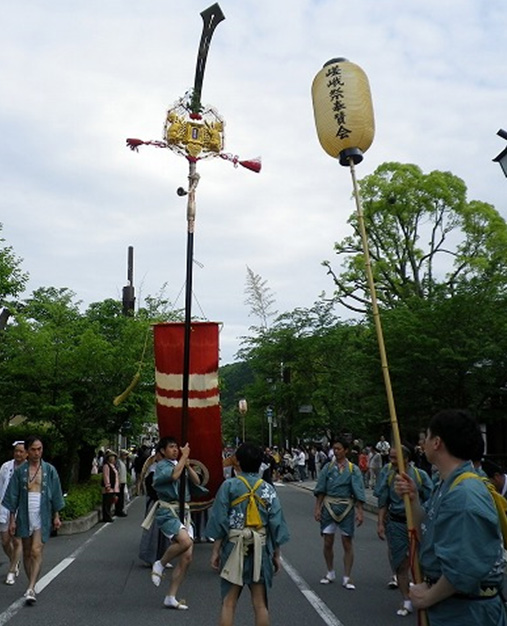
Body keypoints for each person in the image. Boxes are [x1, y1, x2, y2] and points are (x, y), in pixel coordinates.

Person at [396, 409, 507, 625]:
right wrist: (413, 499)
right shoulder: (447, 485)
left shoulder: (464, 495)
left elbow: (465, 568)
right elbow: (427, 532)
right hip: (453, 607)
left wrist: (428, 596)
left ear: (437, 442)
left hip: (467, 612)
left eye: (426, 436)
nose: (423, 443)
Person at [206, 442, 290, 626]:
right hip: (260, 547)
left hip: (234, 546)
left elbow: (220, 520)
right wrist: (276, 554)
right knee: (260, 604)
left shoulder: (229, 486)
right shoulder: (268, 488)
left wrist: (215, 551)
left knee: (229, 603)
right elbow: (276, 523)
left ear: (238, 462)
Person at [143, 436, 206, 610]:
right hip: (168, 512)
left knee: (187, 557)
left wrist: (186, 464)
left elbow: (197, 481)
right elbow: (173, 476)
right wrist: (183, 459)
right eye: (171, 447)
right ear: (162, 450)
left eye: (176, 447)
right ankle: (160, 563)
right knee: (185, 542)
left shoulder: (179, 464)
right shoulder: (162, 466)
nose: (175, 450)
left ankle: (171, 596)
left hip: (183, 513)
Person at [2, 435, 64, 604]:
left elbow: (56, 493)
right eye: (34, 450)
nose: (37, 453)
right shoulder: (21, 472)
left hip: (42, 512)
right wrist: (12, 519)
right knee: (27, 552)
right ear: (28, 451)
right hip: (24, 512)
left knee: (36, 551)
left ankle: (30, 588)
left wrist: (56, 515)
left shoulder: (49, 470)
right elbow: (13, 496)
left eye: (40, 449)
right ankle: (32, 583)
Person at [375, 445, 433, 617]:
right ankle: (406, 599)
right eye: (390, 457)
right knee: (401, 564)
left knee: (423, 562)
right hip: (397, 523)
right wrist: (380, 523)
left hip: (417, 522)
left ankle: (425, 596)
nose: (391, 461)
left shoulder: (420, 476)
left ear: (406, 458)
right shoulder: (389, 475)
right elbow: (383, 502)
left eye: (395, 457)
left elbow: (430, 501)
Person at [314, 438, 365, 589]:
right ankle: (330, 571)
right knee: (328, 541)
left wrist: (360, 511)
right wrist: (317, 507)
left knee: (347, 542)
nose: (336, 451)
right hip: (329, 505)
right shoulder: (328, 468)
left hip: (346, 506)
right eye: (334, 449)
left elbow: (358, 491)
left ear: (346, 450)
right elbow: (321, 489)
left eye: (339, 448)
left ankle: (347, 577)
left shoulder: (353, 469)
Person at [0, 441, 27, 585]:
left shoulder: (31, 469)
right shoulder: (6, 467)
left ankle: (11, 571)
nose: (18, 454)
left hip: (22, 509)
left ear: (27, 453)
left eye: (21, 451)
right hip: (5, 507)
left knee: (17, 540)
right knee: (4, 541)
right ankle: (14, 561)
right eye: (16, 451)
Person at [101, 450, 120, 523]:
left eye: (113, 457)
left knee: (110, 502)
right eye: (110, 457)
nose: (112, 459)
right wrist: (107, 485)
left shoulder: (113, 466)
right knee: (106, 502)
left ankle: (108, 515)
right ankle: (106, 517)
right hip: (109, 488)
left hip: (114, 488)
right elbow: (106, 476)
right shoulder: (106, 466)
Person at [114, 450, 129, 517]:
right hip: (120, 482)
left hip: (123, 481)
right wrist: (118, 481)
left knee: (122, 496)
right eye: (125, 455)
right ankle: (119, 510)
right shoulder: (118, 462)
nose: (126, 456)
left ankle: (120, 509)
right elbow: (118, 472)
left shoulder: (123, 462)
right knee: (120, 497)